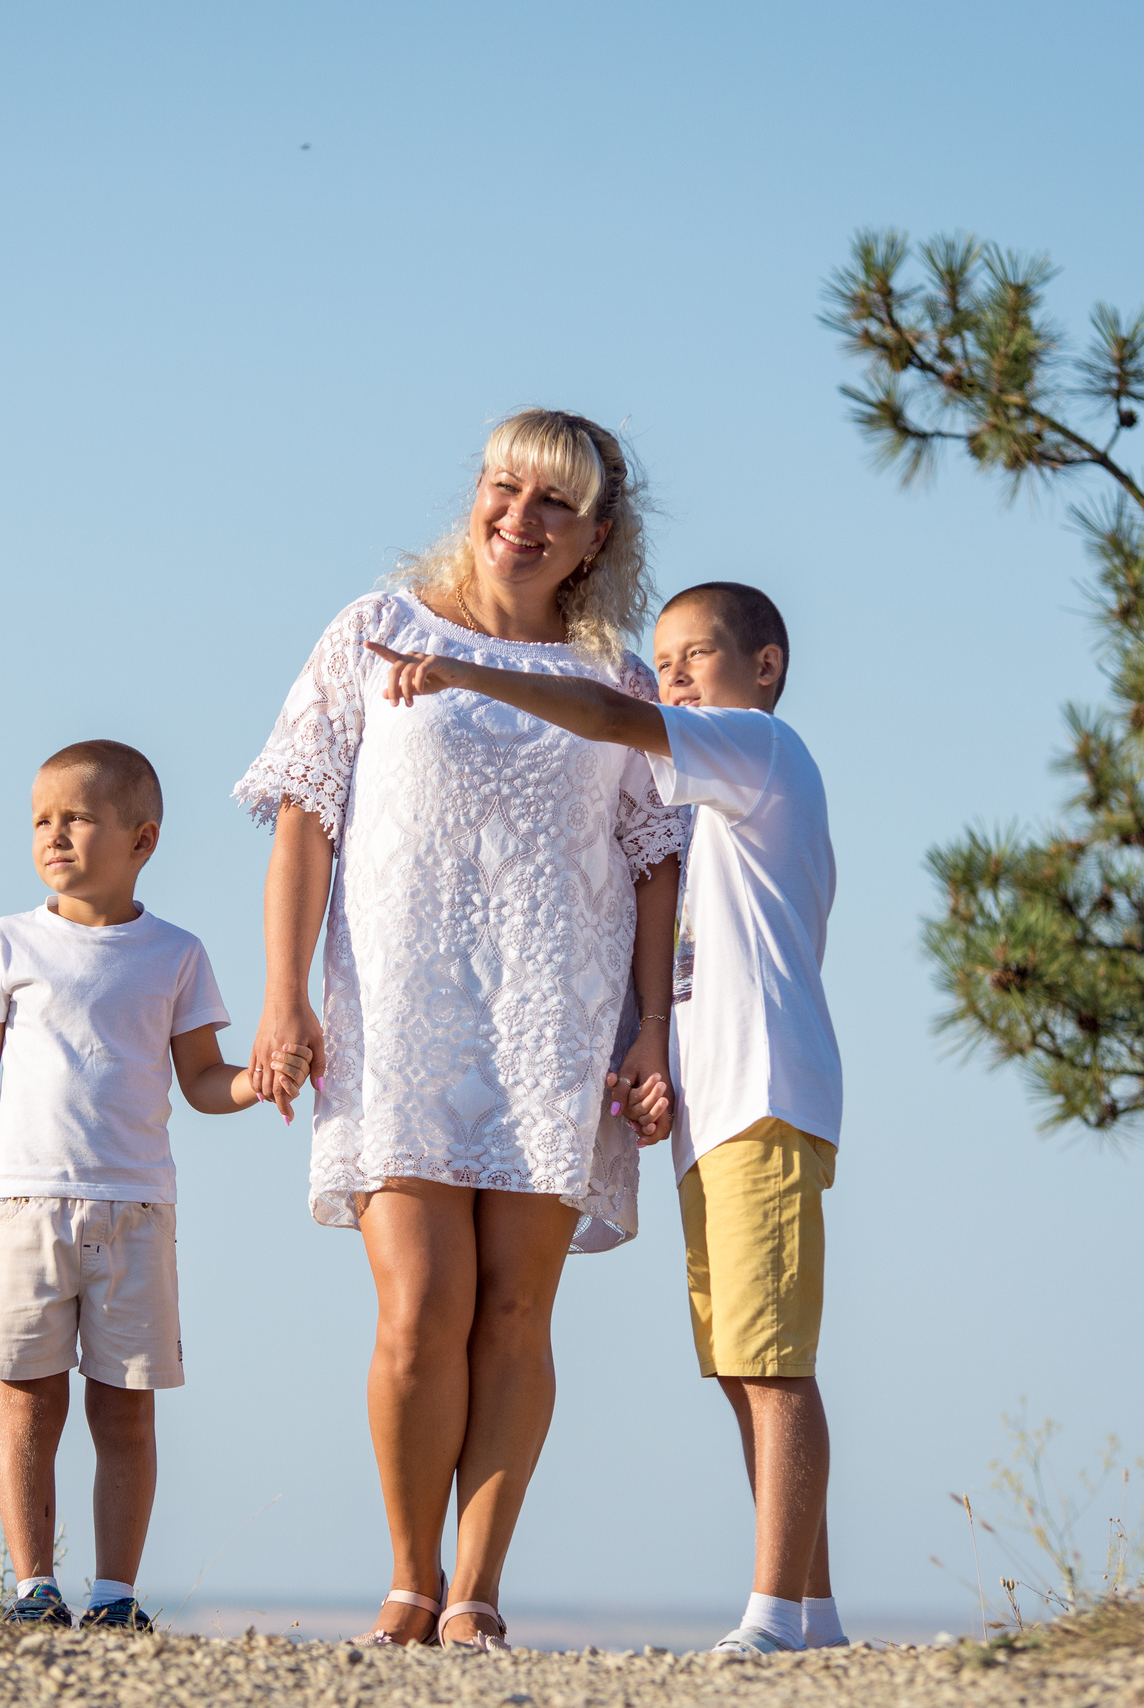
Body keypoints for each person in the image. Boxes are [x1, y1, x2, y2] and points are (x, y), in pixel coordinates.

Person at [234, 410, 686, 1652]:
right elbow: (305, 817)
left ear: (596, 537)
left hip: (554, 1017)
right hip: (400, 1010)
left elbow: (657, 857)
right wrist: (283, 993)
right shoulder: (376, 628)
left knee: (515, 1313)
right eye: (504, 487)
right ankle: (407, 1577)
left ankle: (477, 1590)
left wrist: (650, 1029)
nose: (518, 518)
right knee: (419, 1307)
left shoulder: (616, 678)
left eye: (554, 504)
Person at [364, 580, 848, 1655]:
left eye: (695, 658)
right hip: (721, 1110)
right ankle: (811, 1615)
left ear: (764, 667)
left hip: (767, 1096)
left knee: (772, 1365)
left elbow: (607, 717)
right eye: (662, 663)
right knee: (742, 1361)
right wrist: (654, 1054)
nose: (671, 680)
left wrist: (463, 670)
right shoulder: (717, 801)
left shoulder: (760, 748)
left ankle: (773, 1615)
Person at [0, 738, 311, 1632]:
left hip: (138, 1210)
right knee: (28, 1402)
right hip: (21, 1205)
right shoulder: (8, 941)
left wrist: (259, 1082)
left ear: (142, 839)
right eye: (41, 819)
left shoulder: (176, 954)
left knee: (126, 1411)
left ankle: (115, 1596)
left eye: (77, 817)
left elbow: (203, 1080)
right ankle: (34, 1589)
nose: (53, 834)